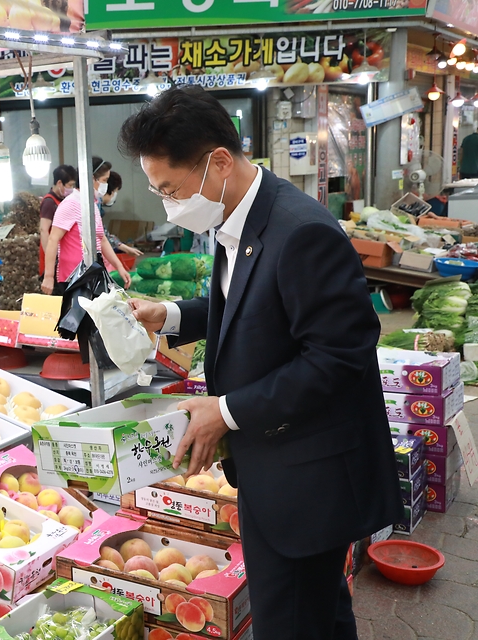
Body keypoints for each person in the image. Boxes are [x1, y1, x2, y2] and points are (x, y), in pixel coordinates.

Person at [119, 87, 402, 640]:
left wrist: (225, 412)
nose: (167, 205)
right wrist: (172, 313)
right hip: (273, 465)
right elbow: (254, 307)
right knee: (319, 612)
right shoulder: (240, 218)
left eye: (171, 189)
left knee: (290, 621)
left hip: (307, 475)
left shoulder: (302, 231)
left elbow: (337, 358)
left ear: (219, 162)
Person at [41, 156, 131, 295]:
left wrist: (119, 267)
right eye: (104, 181)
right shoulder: (70, 204)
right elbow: (53, 239)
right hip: (72, 278)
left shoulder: (93, 204)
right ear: (91, 179)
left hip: (92, 275)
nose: (105, 186)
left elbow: (101, 239)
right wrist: (48, 276)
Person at [39, 164, 78, 275]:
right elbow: (44, 230)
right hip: (53, 255)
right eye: (70, 185)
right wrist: (51, 258)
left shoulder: (64, 201)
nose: (71, 189)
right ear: (59, 183)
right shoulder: (49, 202)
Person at [99, 171, 142, 258]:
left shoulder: (97, 207)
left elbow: (103, 234)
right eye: (116, 191)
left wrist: (124, 247)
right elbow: (102, 235)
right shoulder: (93, 207)